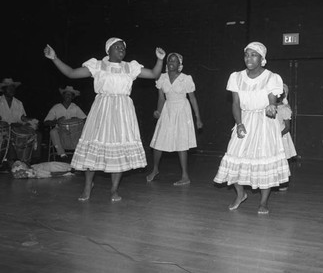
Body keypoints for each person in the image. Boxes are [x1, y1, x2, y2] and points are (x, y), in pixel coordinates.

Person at [44, 38, 165, 202]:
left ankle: (114, 190)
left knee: (118, 150)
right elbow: (71, 73)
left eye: (123, 47)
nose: (121, 49)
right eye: (117, 47)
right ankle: (88, 186)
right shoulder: (98, 65)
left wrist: (159, 59)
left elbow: (153, 74)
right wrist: (54, 58)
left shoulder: (130, 67)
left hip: (123, 111)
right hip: (102, 109)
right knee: (94, 147)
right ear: (108, 50)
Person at [213, 42, 290, 214]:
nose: (249, 58)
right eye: (247, 54)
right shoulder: (236, 77)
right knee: (233, 155)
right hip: (245, 119)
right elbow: (235, 103)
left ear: (262, 58)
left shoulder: (272, 77)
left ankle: (263, 202)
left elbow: (272, 99)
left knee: (265, 158)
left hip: (265, 121)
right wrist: (239, 124)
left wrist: (271, 107)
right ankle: (240, 194)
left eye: (254, 54)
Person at [147, 52, 203, 185]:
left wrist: (198, 118)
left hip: (182, 110)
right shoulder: (161, 78)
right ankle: (155, 169)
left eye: (174, 61)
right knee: (158, 141)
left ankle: (185, 176)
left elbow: (193, 98)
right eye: (169, 60)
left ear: (179, 65)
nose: (171, 62)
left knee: (181, 142)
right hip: (167, 110)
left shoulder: (186, 78)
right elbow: (161, 98)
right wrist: (158, 111)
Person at [0, 78, 41, 164]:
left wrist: (31, 120)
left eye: (13, 88)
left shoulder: (18, 103)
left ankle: (33, 159)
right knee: (7, 133)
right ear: (3, 90)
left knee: (37, 134)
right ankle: (11, 161)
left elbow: (22, 117)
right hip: (3, 129)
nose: (12, 89)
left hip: (16, 127)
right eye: (9, 88)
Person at [44, 86, 87, 162]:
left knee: (84, 130)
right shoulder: (56, 107)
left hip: (75, 131)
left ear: (73, 97)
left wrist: (77, 119)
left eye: (70, 95)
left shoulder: (75, 107)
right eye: (66, 94)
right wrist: (57, 121)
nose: (68, 96)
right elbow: (46, 122)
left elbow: (85, 119)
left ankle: (80, 152)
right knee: (53, 132)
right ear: (63, 96)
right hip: (61, 130)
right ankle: (61, 154)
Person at [276, 83, 297, 192]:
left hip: (282, 136)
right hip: (272, 136)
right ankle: (274, 181)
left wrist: (280, 134)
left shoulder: (284, 109)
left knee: (283, 159)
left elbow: (287, 127)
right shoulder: (271, 108)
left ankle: (283, 182)